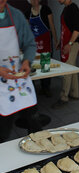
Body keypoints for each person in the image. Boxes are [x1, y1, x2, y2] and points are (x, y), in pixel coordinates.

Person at [0, 0, 41, 142]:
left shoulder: (16, 16)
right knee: (3, 130)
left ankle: (38, 155)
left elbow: (29, 43)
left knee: (34, 121)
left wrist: (26, 61)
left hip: (18, 77)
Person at [52, 0, 79, 109]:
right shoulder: (66, 8)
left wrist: (69, 44)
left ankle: (63, 97)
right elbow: (65, 29)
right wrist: (61, 42)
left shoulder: (73, 8)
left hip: (72, 44)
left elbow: (77, 29)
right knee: (72, 69)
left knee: (66, 71)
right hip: (67, 43)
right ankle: (75, 94)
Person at [25, 0, 58, 97]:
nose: (35, 1)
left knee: (45, 67)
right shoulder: (27, 13)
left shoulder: (46, 10)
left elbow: (52, 26)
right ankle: (33, 89)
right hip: (34, 45)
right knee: (33, 68)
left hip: (46, 43)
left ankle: (46, 88)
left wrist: (56, 41)